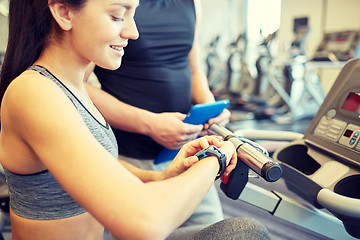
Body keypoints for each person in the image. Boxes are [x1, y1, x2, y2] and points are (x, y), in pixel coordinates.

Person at [0, 0, 272, 240]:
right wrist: (217, 158)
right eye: (118, 16)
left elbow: (93, 162)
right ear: (64, 12)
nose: (133, 32)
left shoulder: (73, 89)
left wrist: (158, 177)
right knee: (244, 232)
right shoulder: (34, 92)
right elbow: (146, 224)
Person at [85, 0, 231, 229]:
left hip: (186, 149)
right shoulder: (118, 5)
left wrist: (209, 107)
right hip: (132, 155)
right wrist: (149, 124)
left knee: (216, 230)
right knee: (147, 229)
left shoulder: (192, 3)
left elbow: (194, 70)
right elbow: (79, 86)